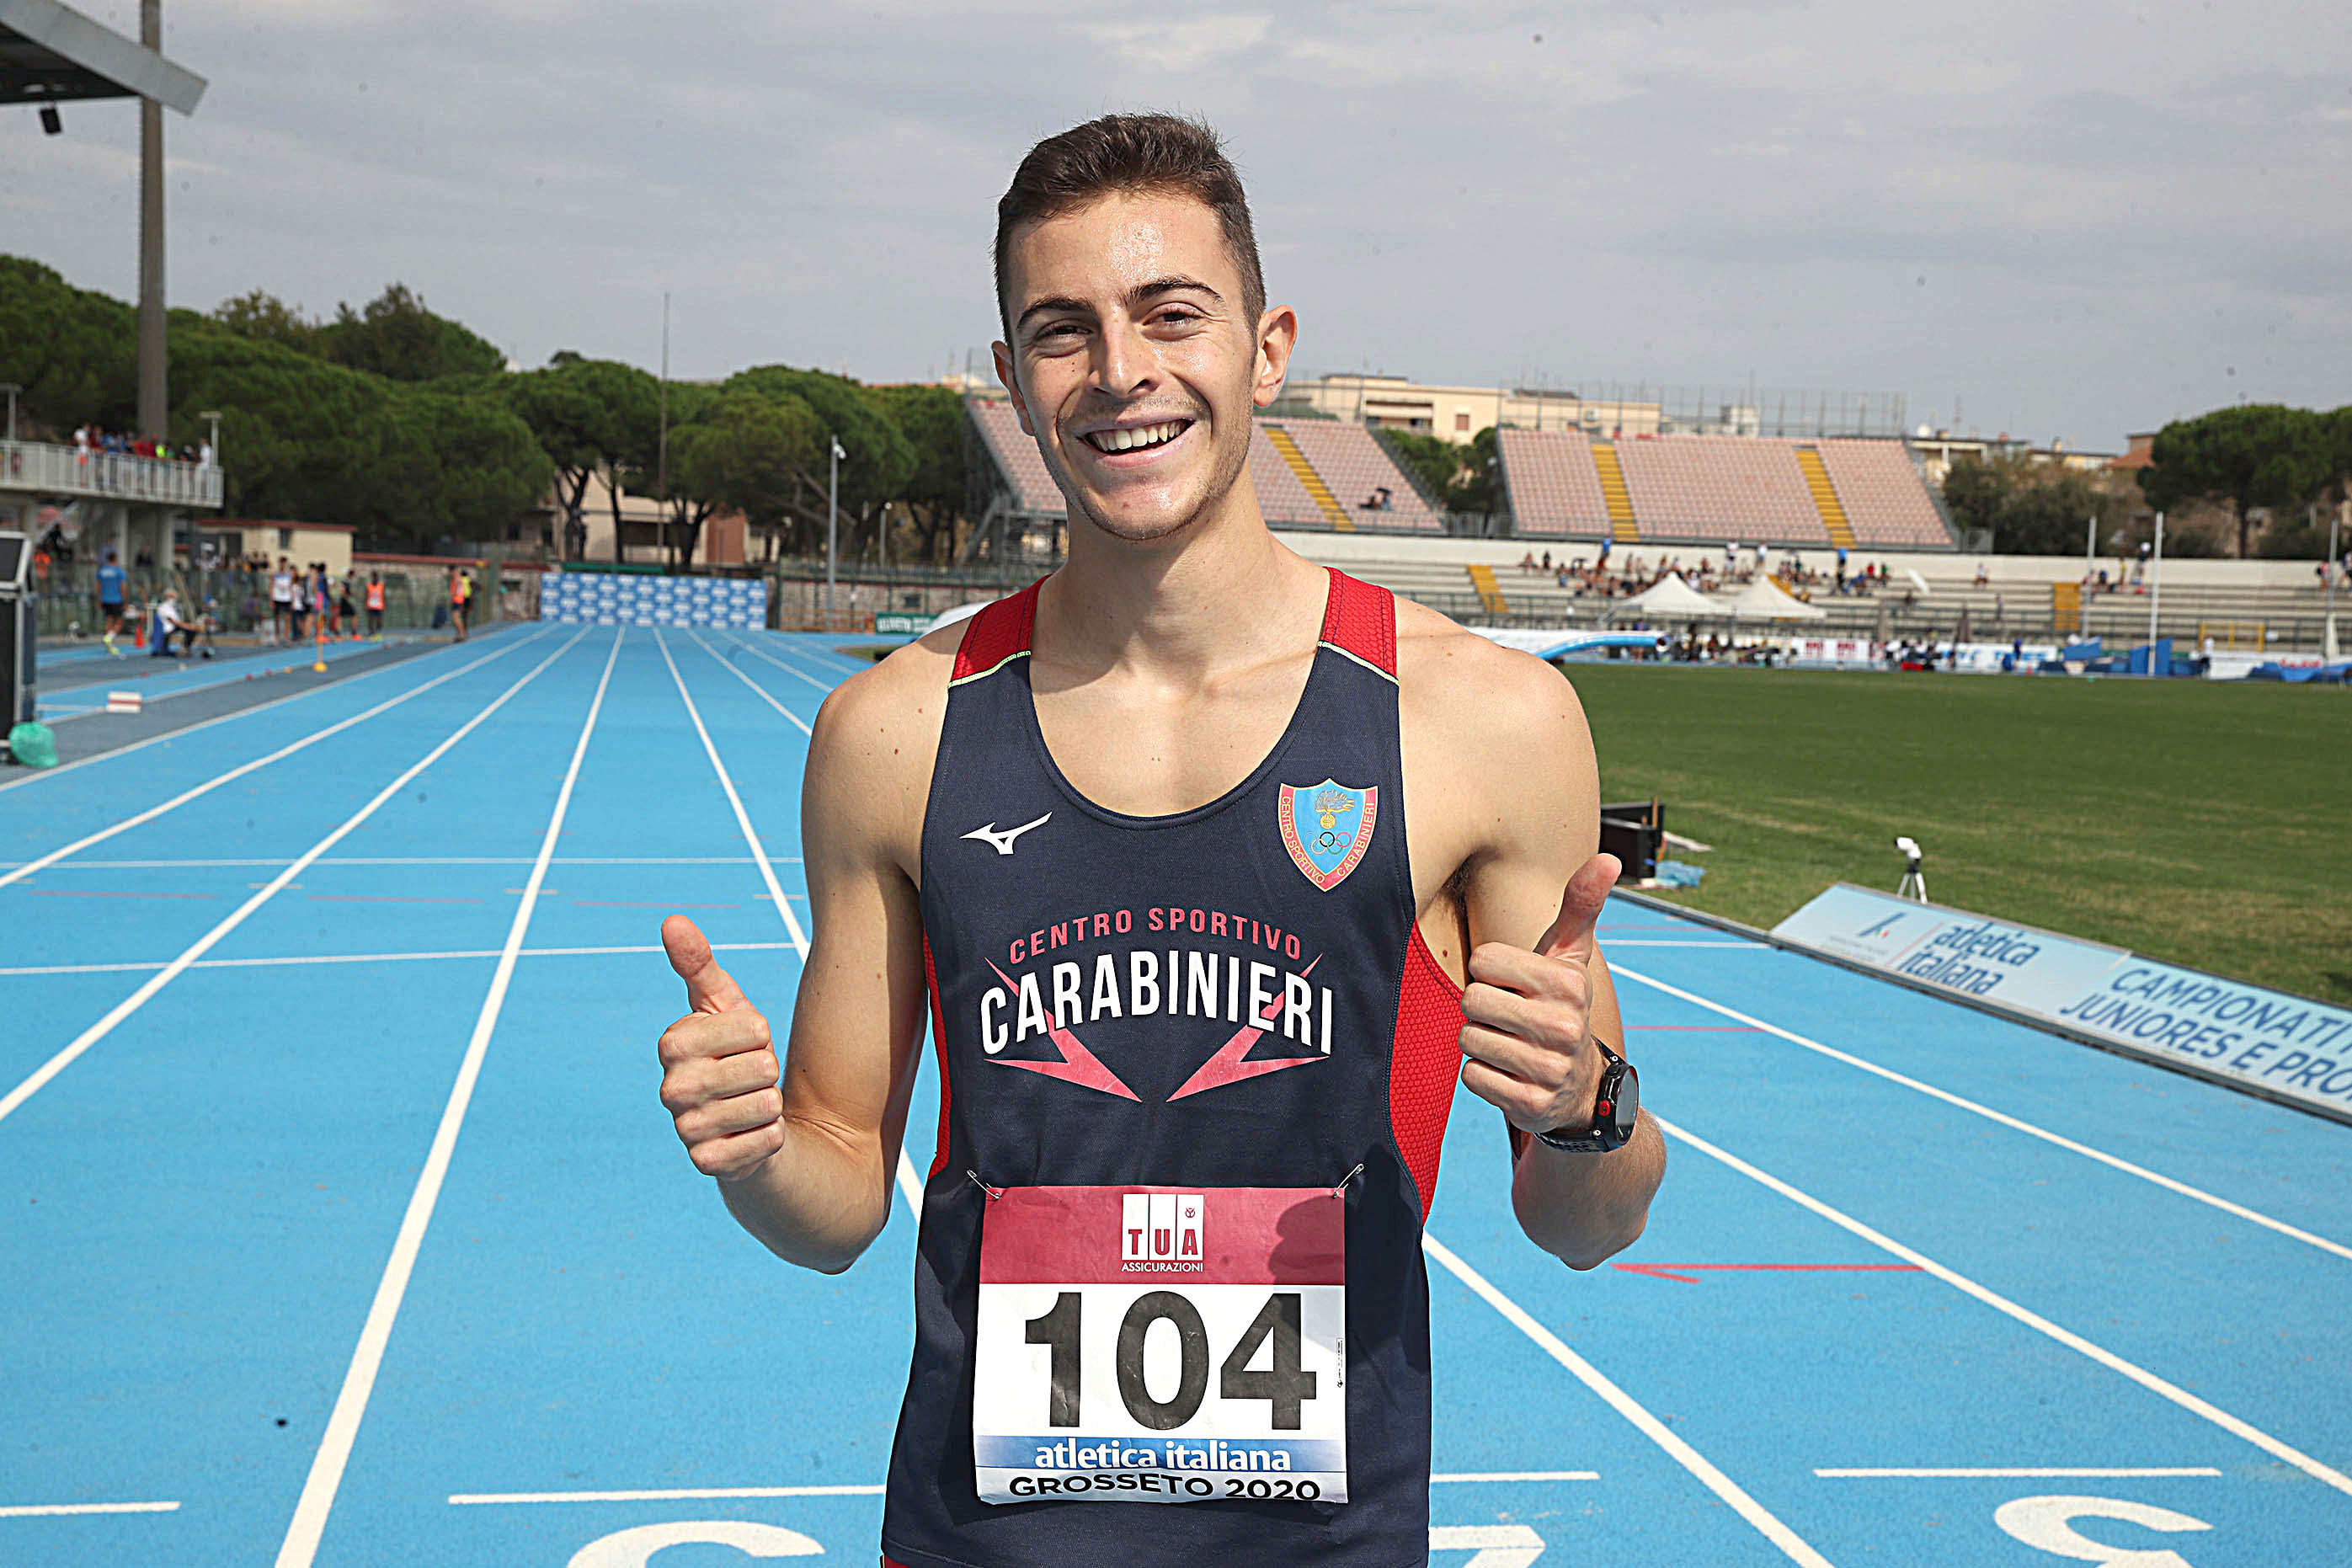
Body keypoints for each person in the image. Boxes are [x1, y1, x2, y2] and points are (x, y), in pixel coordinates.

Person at [653, 114, 1662, 1568]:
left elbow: (1588, 1221)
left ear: (1266, 348)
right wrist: (755, 1151)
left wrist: (1582, 1105)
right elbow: (833, 1201)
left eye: (1170, 313)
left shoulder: (1481, 721)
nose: (1119, 368)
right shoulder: (893, 733)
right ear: (1012, 379)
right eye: (1061, 329)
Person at [96, 547, 127, 655]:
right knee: (119, 622)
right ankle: (108, 638)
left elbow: (98, 587)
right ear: (115, 559)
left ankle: (109, 646)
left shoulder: (101, 571)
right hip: (116, 599)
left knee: (108, 621)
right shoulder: (119, 572)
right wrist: (125, 601)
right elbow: (122, 587)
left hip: (105, 599)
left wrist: (98, 600)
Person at [271, 557, 294, 644]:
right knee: (277, 619)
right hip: (277, 598)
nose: (282, 564)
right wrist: (271, 599)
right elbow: (271, 586)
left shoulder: (289, 574)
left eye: (284, 563)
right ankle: (277, 637)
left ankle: (286, 637)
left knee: (287, 619)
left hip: (287, 599)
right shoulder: (275, 574)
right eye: (281, 563)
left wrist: (292, 600)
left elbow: (291, 587)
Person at [365, 571, 386, 637]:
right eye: (374, 577)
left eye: (376, 577)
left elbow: (384, 595)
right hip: (370, 605)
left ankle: (378, 632)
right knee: (371, 619)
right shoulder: (369, 586)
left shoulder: (381, 586)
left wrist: (384, 604)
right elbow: (366, 595)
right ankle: (371, 632)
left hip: (379, 605)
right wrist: (365, 604)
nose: (375, 578)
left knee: (379, 620)